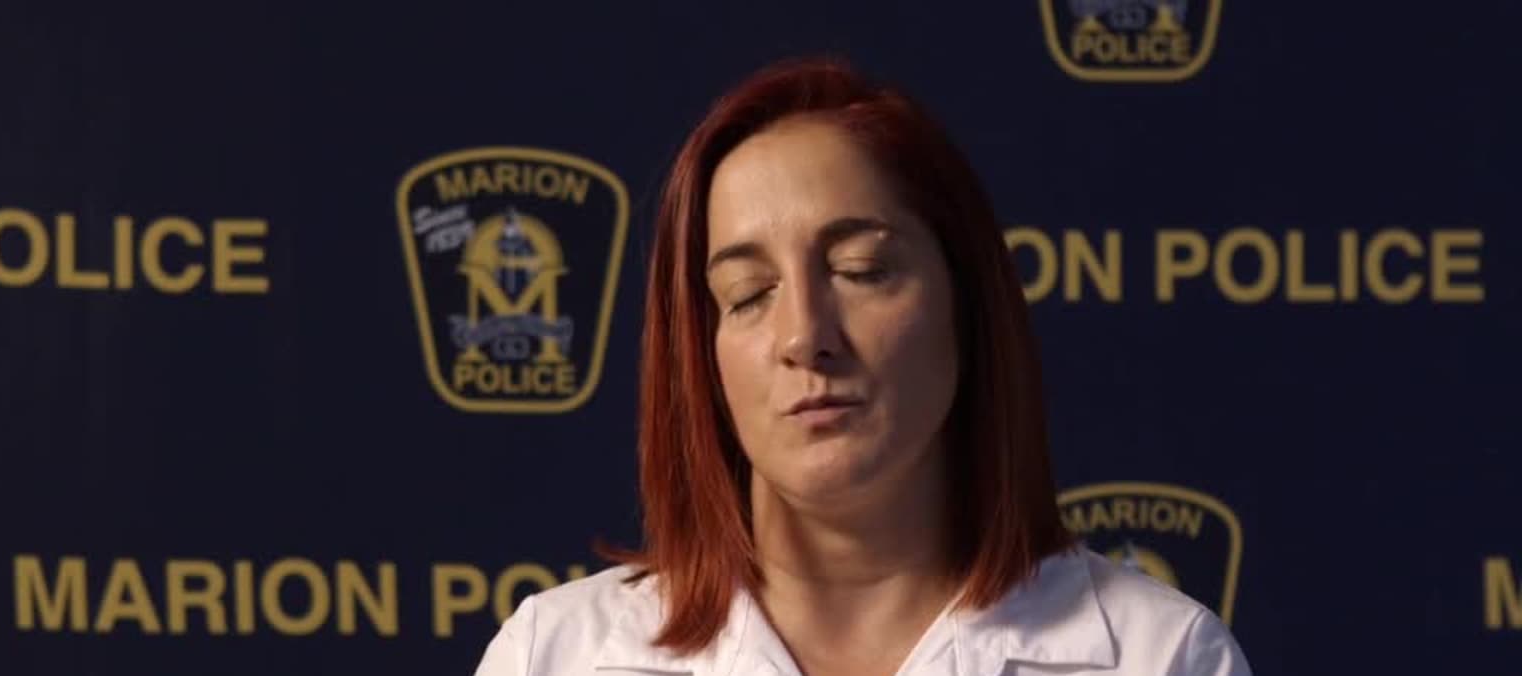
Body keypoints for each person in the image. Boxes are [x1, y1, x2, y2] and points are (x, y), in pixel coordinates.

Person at [470, 57, 1252, 676]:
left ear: (966, 303)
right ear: (703, 358)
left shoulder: (1161, 656)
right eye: (748, 295)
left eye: (861, 270)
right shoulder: (554, 656)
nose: (805, 335)